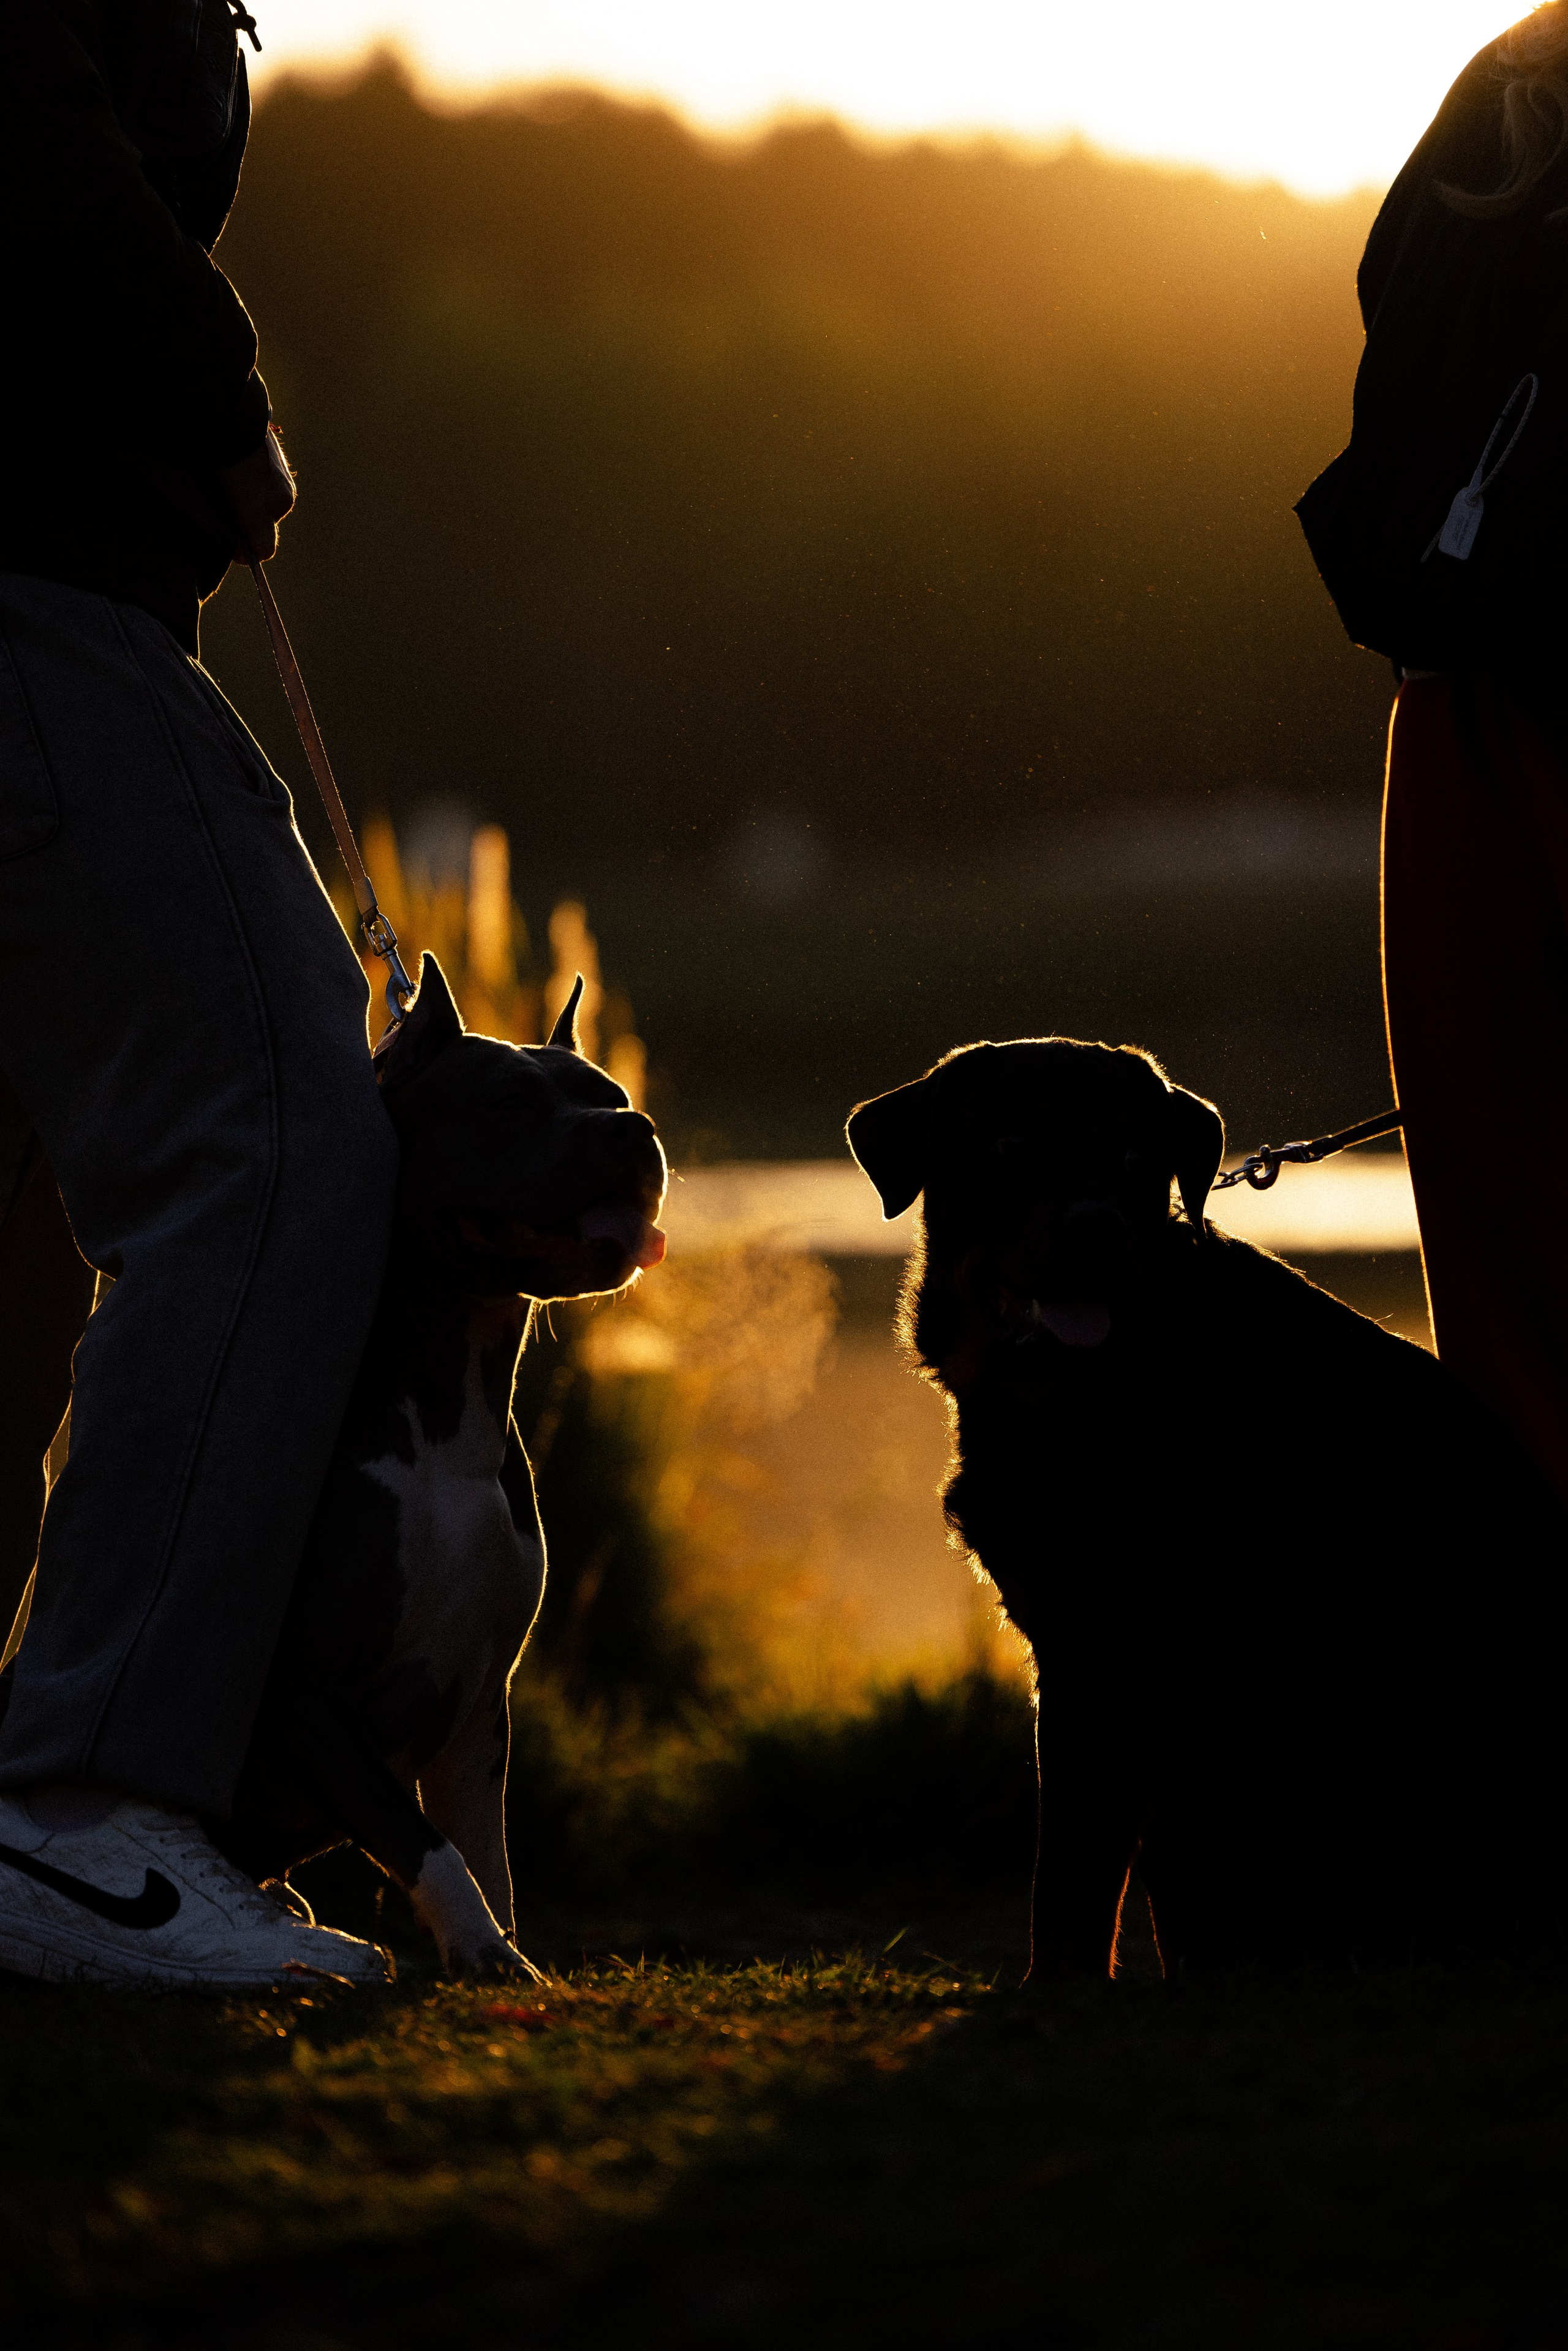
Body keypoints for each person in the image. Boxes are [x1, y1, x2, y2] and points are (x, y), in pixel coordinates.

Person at [0, 1, 399, 1985]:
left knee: (13, 1228)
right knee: (270, 1140)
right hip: (36, 587)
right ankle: (82, 1811)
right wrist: (213, 389)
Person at [1296, 3, 1568, 1503]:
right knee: (1500, 1232)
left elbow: (1390, 317)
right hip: (1470, 697)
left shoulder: (1514, 78)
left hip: (1467, 679)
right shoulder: (1510, 87)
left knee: (1509, 1242)